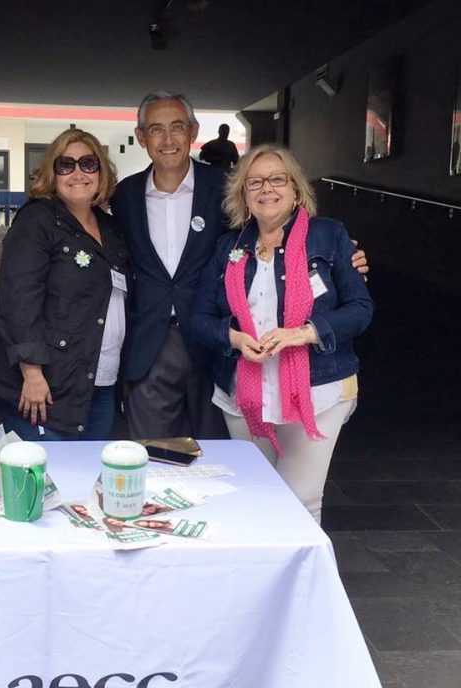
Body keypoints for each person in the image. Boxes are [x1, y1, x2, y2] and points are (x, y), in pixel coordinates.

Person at [111, 90, 370, 441]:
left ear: (193, 131)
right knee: (156, 456)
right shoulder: (124, 196)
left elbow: (277, 226)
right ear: (141, 137)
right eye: (156, 129)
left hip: (221, 346)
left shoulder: (225, 186)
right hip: (151, 343)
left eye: (177, 127)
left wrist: (340, 255)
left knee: (223, 460)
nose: (168, 138)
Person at [190, 144, 373, 523]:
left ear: (294, 189)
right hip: (246, 393)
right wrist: (234, 338)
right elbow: (200, 317)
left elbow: (360, 309)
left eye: (277, 179)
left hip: (316, 390)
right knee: (256, 495)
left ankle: (301, 582)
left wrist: (305, 333)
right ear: (243, 194)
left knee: (300, 500)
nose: (266, 189)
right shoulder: (230, 246)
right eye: (254, 182)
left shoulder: (329, 236)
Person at [0, 129, 130, 440]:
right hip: (49, 385)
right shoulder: (36, 222)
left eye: (88, 164)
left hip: (100, 379)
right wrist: (32, 372)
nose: (77, 173)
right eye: (65, 165)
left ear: (101, 171)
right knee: (49, 480)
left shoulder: (110, 227)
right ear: (51, 173)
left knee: (86, 476)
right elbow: (18, 301)